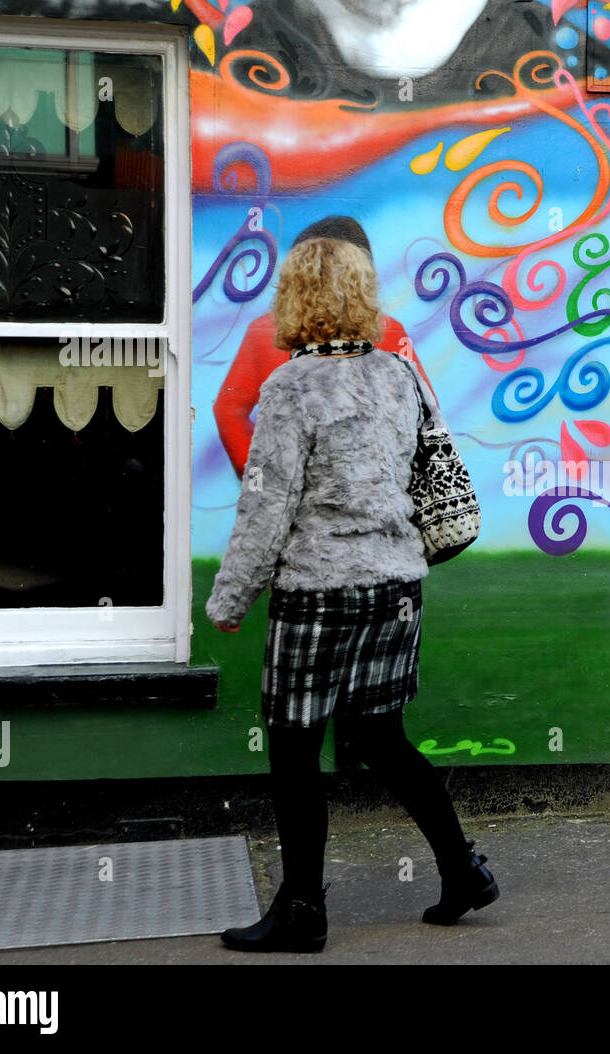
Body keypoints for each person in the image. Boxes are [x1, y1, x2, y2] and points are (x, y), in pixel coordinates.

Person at [206, 237, 498, 953]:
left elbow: (266, 510)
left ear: (295, 301)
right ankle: (463, 870)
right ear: (362, 297)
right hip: (397, 587)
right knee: (383, 737)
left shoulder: (289, 389)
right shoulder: (400, 376)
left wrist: (229, 600)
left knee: (295, 748)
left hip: (319, 596)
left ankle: (303, 910)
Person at [213, 215, 435, 481]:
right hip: (373, 495)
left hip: (301, 497)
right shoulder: (386, 329)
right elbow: (425, 413)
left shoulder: (266, 331)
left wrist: (263, 478)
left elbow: (229, 409)